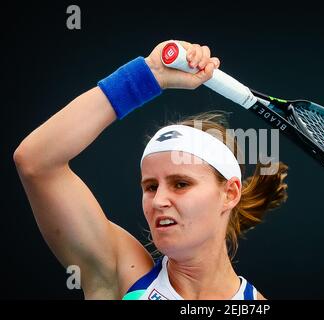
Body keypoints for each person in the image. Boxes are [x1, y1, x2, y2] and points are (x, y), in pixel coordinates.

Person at [13, 40, 288, 300]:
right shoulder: (121, 272)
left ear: (229, 193)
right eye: (151, 186)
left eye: (181, 183)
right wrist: (150, 74)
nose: (158, 201)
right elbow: (37, 162)